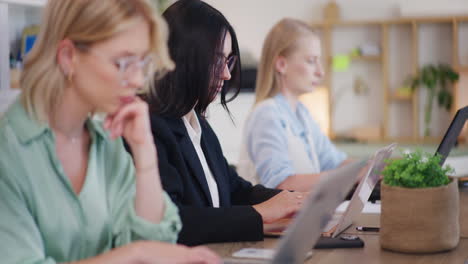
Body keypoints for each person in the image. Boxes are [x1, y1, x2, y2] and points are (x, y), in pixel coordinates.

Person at [0, 0, 220, 263]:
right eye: (123, 63)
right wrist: (135, 254)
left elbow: (157, 247)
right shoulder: (9, 150)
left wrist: (145, 154)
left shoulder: (106, 140)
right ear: (69, 56)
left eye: (142, 62)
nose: (138, 80)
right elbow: (145, 252)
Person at [143, 0, 307, 246]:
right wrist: (262, 213)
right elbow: (175, 220)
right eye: (217, 60)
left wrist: (293, 200)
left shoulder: (199, 125)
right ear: (184, 57)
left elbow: (235, 190)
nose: (227, 74)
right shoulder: (152, 128)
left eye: (228, 61)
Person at [237, 18, 351, 192]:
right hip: (275, 220)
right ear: (282, 64)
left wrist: (369, 168)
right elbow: (281, 184)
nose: (320, 72)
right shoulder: (267, 114)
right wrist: (349, 174)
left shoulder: (301, 113)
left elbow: (334, 161)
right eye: (311, 61)